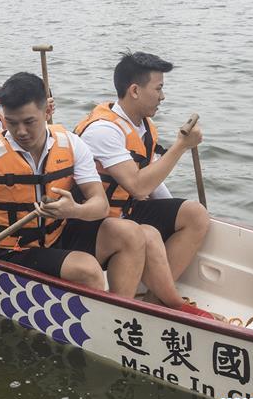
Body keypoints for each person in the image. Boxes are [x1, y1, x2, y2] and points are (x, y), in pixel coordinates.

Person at [0, 72, 147, 297]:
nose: (21, 132)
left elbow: (100, 205)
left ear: (47, 111)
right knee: (87, 269)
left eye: (29, 122)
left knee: (129, 232)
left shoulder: (71, 144)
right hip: (15, 249)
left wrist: (74, 210)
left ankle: (121, 313)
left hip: (58, 235)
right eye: (11, 122)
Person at [76, 51, 213, 317]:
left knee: (195, 214)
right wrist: (181, 146)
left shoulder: (144, 126)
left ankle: (156, 300)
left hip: (126, 210)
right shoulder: (103, 130)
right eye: (159, 88)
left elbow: (150, 182)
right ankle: (153, 305)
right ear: (135, 90)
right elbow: (138, 186)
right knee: (146, 231)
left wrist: (177, 212)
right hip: (95, 219)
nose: (162, 96)